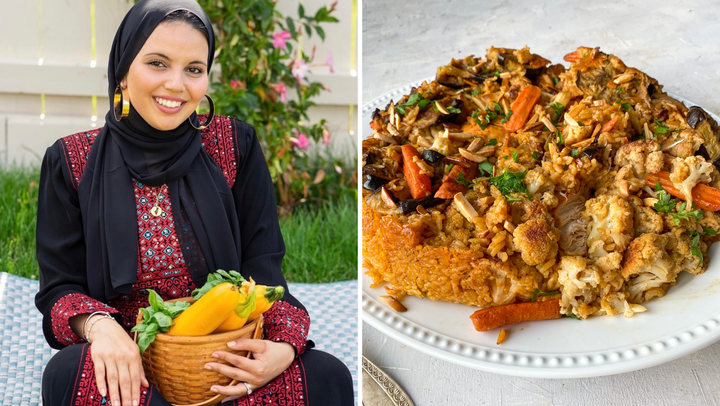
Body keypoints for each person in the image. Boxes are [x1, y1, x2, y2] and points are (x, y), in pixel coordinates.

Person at [34, 1, 354, 405]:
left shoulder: (235, 145)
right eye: (157, 63)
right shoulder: (71, 160)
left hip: (225, 355)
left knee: (327, 376)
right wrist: (100, 329)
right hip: (128, 359)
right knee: (68, 374)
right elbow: (60, 287)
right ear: (123, 70)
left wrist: (283, 349)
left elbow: (264, 266)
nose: (176, 85)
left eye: (194, 69)